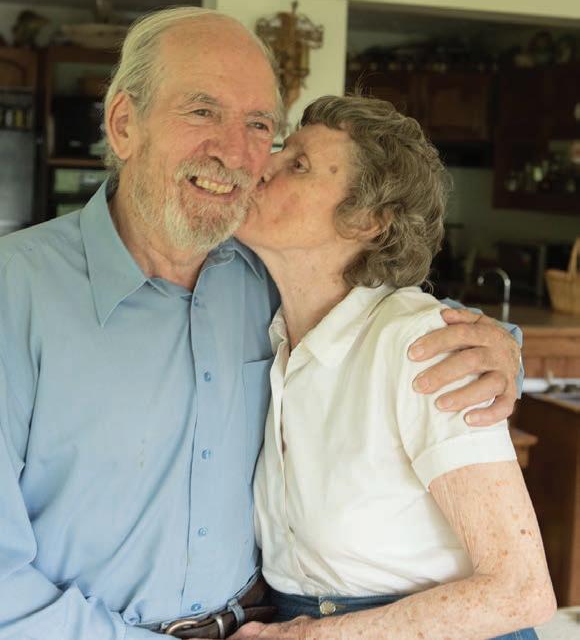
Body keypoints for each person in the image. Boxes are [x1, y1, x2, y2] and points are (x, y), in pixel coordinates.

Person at [0, 8, 521, 640]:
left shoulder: (270, 270)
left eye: (259, 125)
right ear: (124, 125)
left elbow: (386, 319)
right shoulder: (6, 292)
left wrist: (502, 348)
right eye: (202, 111)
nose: (236, 153)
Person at [226, 95, 555, 640]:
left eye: (298, 164)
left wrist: (305, 638)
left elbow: (520, 589)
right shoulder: (281, 336)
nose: (263, 164)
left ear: (368, 221)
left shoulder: (423, 345)